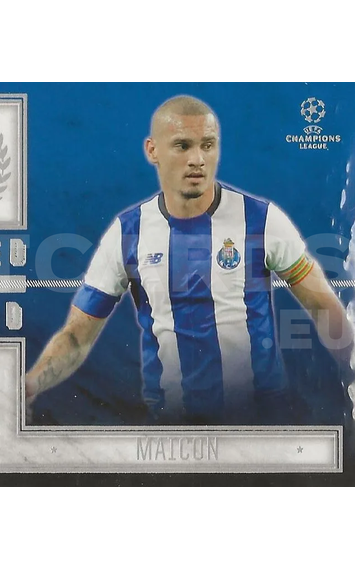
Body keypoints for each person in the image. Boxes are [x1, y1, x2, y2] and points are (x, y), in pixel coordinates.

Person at [26, 95, 355, 424]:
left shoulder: (262, 220)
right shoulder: (127, 232)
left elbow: (323, 306)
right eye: (182, 146)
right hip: (174, 430)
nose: (197, 159)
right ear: (152, 150)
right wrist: (29, 386)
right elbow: (76, 336)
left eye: (207, 145)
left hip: (261, 424)